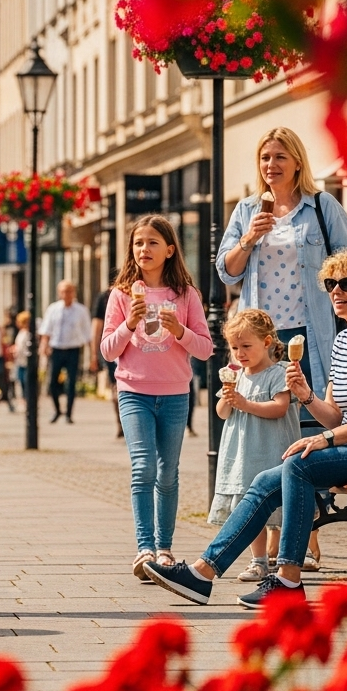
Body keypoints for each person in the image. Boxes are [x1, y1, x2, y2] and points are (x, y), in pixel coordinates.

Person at [145, 249, 347, 608]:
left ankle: (288, 579)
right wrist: (306, 395)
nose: (335, 291)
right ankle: (202, 574)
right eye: (330, 283)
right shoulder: (343, 341)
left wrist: (324, 439)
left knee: (298, 464)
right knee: (264, 480)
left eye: (345, 283)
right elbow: (336, 416)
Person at [215, 127, 347, 571]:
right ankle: (274, 546)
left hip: (312, 336)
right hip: (264, 342)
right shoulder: (246, 210)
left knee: (307, 435)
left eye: (279, 156)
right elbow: (226, 272)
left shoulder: (321, 207)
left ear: (296, 161)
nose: (270, 165)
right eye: (264, 158)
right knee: (269, 434)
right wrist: (247, 239)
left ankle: (306, 541)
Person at [100, 215, 213, 580]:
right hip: (134, 392)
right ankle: (144, 547)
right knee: (143, 467)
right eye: (137, 243)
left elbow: (207, 349)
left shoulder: (185, 295)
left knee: (168, 473)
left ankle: (165, 549)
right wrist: (128, 324)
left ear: (169, 249)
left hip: (176, 394)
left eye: (152, 242)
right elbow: (107, 350)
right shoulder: (121, 294)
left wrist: (180, 331)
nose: (143, 249)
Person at [210, 309, 301, 583]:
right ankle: (258, 561)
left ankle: (288, 558)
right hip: (241, 454)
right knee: (250, 507)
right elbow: (222, 413)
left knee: (277, 507)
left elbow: (279, 408)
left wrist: (245, 404)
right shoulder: (235, 375)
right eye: (235, 347)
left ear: (267, 342)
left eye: (246, 346)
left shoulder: (279, 372)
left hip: (270, 449)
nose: (240, 353)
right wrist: (228, 399)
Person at [39, 280, 92, 424]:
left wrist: (92, 356)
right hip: (56, 349)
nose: (66, 294)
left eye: (69, 291)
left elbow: (88, 334)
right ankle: (57, 410)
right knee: (52, 383)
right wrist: (44, 345)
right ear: (59, 293)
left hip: (73, 349)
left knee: (71, 383)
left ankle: (69, 413)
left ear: (73, 292)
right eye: (63, 291)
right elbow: (46, 330)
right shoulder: (53, 309)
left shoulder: (81, 310)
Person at [91, 287, 122, 438]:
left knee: (117, 388)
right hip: (113, 349)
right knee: (116, 387)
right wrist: (93, 354)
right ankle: (121, 422)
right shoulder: (105, 297)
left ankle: (122, 422)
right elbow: (97, 326)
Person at [12, 311, 32, 403]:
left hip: (26, 361)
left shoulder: (29, 333)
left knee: (27, 381)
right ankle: (25, 401)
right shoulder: (21, 332)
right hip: (19, 361)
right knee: (21, 381)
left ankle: (28, 401)